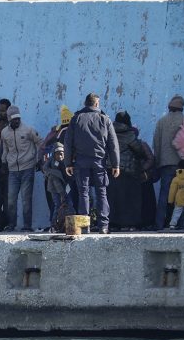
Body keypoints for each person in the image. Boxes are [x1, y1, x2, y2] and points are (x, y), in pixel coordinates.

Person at [64, 93, 120, 234]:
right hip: (99, 161)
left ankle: (85, 227)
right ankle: (103, 226)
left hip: (81, 161)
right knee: (101, 192)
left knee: (83, 193)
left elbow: (68, 142)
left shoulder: (76, 119)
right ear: (96, 103)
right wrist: (116, 164)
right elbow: (113, 144)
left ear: (85, 103)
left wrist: (68, 163)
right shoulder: (104, 119)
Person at [152, 95, 184, 230]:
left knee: (164, 194)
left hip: (166, 164)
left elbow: (156, 143)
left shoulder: (161, 121)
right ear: (181, 108)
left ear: (169, 107)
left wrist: (158, 162)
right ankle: (182, 224)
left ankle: (159, 223)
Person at [0, 106, 42, 232]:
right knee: (11, 200)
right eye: (14, 119)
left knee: (26, 199)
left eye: (18, 118)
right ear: (9, 119)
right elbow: (5, 149)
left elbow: (40, 143)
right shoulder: (4, 133)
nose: (17, 121)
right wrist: (3, 163)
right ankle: (11, 225)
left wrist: (39, 159)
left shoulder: (28, 130)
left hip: (27, 168)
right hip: (12, 171)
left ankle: (27, 226)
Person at [107, 111, 148, 231]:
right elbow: (139, 150)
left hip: (110, 169)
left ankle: (113, 223)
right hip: (128, 171)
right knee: (130, 198)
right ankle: (130, 223)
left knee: (112, 197)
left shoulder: (108, 132)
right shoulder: (129, 134)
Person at [42, 143, 69, 229]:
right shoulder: (52, 163)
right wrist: (63, 194)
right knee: (57, 205)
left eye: (62, 154)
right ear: (54, 154)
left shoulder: (66, 162)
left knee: (66, 205)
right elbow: (45, 168)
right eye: (58, 154)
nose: (60, 156)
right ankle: (53, 224)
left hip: (65, 186)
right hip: (54, 187)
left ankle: (63, 224)